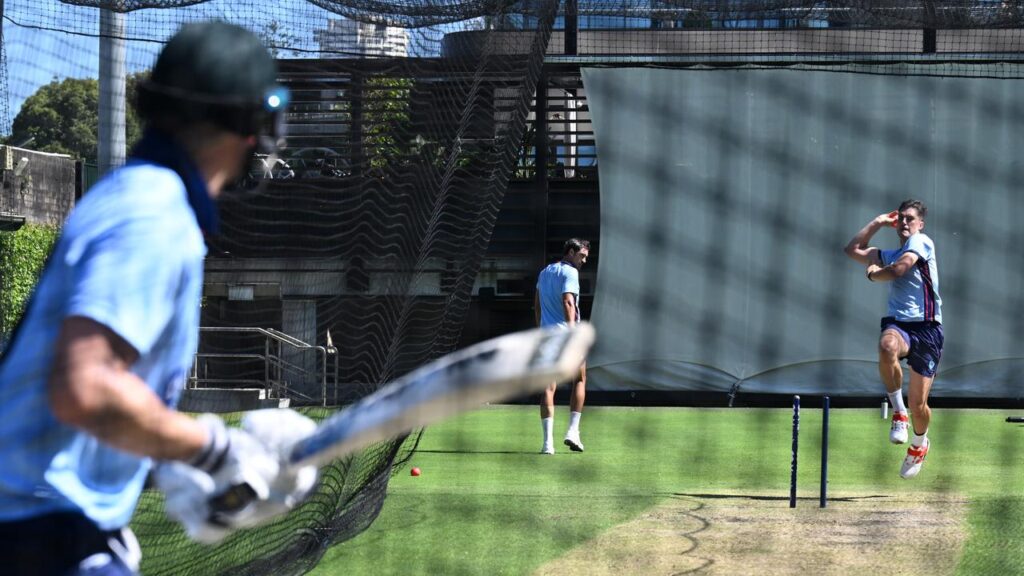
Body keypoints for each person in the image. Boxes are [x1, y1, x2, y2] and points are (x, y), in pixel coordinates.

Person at [0, 22, 316, 575]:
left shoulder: (138, 198)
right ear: (249, 123)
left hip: (44, 526)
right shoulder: (154, 213)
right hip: (37, 536)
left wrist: (163, 464)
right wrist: (214, 450)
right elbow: (86, 388)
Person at [844, 199, 943, 479]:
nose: (904, 223)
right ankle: (898, 413)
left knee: (919, 404)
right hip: (899, 324)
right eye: (900, 218)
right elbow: (851, 250)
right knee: (886, 345)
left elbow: (899, 270)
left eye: (910, 218)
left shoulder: (922, 242)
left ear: (920, 223)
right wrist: (877, 222)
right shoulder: (889, 253)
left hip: (928, 329)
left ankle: (919, 443)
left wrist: (873, 276)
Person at [534, 238, 590, 454]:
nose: (583, 261)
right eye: (581, 256)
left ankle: (548, 444)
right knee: (579, 379)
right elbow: (568, 302)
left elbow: (537, 305)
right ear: (570, 252)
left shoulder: (544, 272)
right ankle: (572, 432)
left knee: (548, 387)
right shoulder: (570, 273)